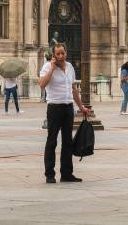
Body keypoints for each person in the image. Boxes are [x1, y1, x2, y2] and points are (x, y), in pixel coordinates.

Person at [38, 43, 91, 184]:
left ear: (66, 53)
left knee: (67, 142)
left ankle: (66, 173)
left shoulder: (70, 67)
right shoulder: (47, 67)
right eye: (58, 54)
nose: (61, 56)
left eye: (63, 53)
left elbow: (73, 89)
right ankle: (50, 174)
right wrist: (52, 69)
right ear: (54, 55)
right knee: (52, 141)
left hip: (68, 108)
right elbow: (42, 84)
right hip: (54, 108)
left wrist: (81, 107)